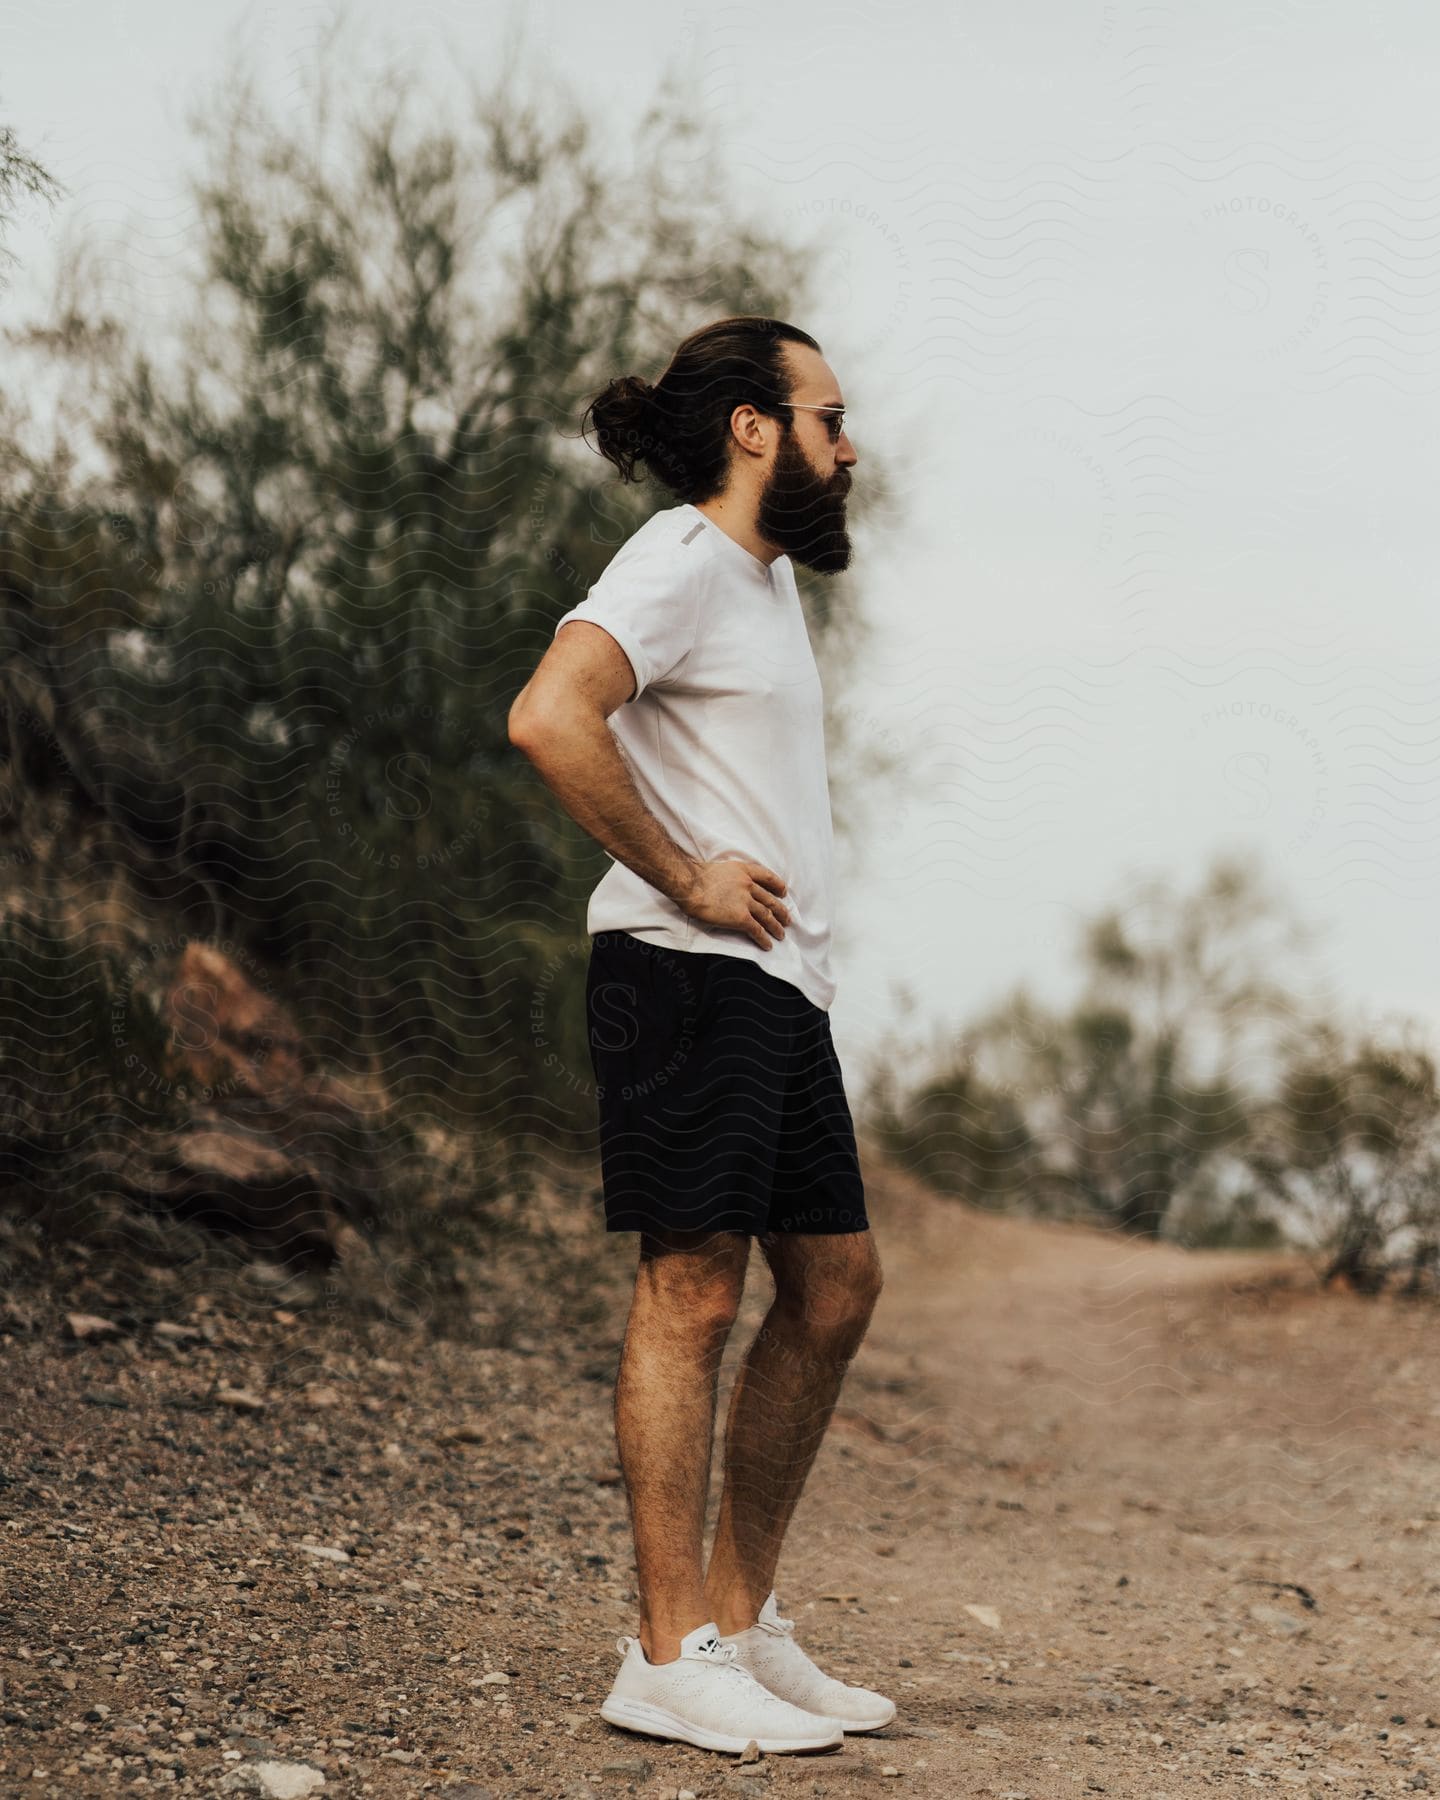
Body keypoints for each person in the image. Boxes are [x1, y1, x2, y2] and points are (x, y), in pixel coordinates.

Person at [507, 316, 895, 1757]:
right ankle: (670, 1656)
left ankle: (737, 1619)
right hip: (684, 968)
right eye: (829, 419)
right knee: (694, 1297)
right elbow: (551, 716)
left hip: (774, 985)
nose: (848, 449)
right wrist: (685, 871)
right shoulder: (676, 560)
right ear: (752, 426)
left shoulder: (761, 580)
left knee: (838, 1287)